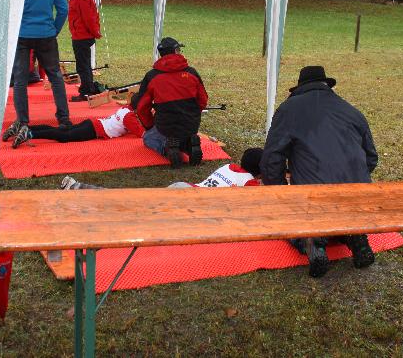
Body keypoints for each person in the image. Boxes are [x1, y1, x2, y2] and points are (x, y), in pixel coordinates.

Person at [260, 65, 378, 278]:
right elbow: (371, 158)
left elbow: (271, 159)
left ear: (299, 88)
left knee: (287, 218)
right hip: (357, 198)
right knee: (340, 213)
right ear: (327, 85)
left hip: (315, 199)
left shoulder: (288, 110)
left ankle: (312, 241)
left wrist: (279, 193)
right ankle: (354, 235)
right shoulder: (350, 110)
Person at [2, 0, 71, 148]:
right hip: (46, 34)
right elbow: (63, 9)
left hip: (22, 35)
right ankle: (64, 118)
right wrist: (54, 29)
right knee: (55, 76)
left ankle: (23, 121)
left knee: (20, 80)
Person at [131, 37, 208, 168]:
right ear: (176, 51)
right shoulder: (192, 72)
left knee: (148, 138)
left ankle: (167, 148)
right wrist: (192, 113)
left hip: (165, 125)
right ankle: (188, 145)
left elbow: (142, 107)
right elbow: (203, 99)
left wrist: (149, 125)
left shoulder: (152, 76)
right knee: (182, 135)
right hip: (191, 124)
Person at [60, 147, 264, 190]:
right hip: (189, 200)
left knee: (131, 202)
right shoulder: (249, 182)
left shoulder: (229, 166)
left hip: (184, 186)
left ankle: (79, 187)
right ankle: (79, 188)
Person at [11, 106, 144, 149]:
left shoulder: (125, 109)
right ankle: (30, 134)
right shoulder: (130, 117)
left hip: (92, 123)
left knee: (60, 130)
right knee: (63, 137)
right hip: (94, 130)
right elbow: (141, 133)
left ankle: (27, 128)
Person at [66, 0, 101, 101]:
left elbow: (89, 18)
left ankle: (86, 92)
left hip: (82, 36)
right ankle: (88, 89)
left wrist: (95, 33)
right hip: (80, 35)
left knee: (83, 65)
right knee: (83, 64)